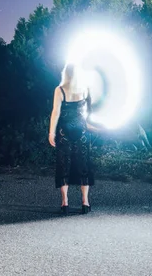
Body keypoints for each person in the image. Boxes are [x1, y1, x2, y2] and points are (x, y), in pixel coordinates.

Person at [48, 62, 96, 215]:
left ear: (65, 74)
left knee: (64, 166)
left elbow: (56, 112)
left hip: (64, 132)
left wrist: (51, 132)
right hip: (81, 131)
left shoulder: (60, 90)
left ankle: (65, 203)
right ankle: (85, 202)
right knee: (83, 166)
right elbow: (89, 110)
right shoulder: (85, 89)